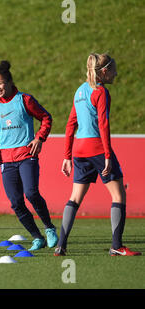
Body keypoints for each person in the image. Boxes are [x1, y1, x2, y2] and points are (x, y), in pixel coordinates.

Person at [55, 53, 141, 256]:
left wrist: (67, 156)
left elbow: (70, 125)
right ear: (104, 71)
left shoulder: (79, 91)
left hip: (79, 150)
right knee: (118, 194)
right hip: (97, 149)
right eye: (113, 70)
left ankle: (61, 245)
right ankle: (116, 246)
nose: (116, 73)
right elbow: (103, 125)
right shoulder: (101, 92)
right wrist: (108, 155)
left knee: (75, 198)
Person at [0, 60, 58, 251]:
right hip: (6, 160)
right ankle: (37, 237)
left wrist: (40, 138)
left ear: (9, 83)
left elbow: (46, 118)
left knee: (31, 193)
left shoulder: (25, 100)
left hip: (27, 155)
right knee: (16, 202)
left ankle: (49, 228)